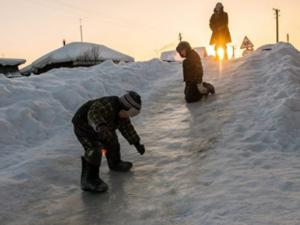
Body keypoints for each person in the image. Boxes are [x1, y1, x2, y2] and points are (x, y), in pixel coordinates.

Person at [72, 91, 145, 193]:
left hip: (103, 127)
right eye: (131, 113)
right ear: (126, 106)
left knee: (112, 141)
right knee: (94, 149)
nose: (129, 116)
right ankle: (89, 180)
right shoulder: (107, 104)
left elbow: (127, 129)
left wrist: (137, 143)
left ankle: (115, 163)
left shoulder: (121, 114)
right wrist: (101, 126)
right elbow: (93, 113)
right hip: (84, 126)